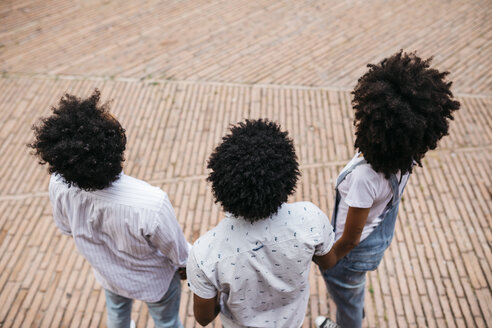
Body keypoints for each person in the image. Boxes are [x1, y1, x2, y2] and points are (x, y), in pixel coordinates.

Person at [314, 51, 461, 327]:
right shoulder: (405, 157)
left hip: (350, 255)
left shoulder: (364, 178)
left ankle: (350, 321)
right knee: (353, 293)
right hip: (375, 237)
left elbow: (350, 239)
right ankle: (354, 306)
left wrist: (327, 261)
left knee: (348, 299)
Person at [29, 90, 189, 328]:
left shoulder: (58, 184)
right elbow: (179, 254)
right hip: (156, 284)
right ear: (115, 148)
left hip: (109, 276)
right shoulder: (152, 203)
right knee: (167, 323)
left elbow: (65, 227)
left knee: (117, 318)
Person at [186, 119, 336, 327]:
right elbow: (328, 262)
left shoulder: (205, 253)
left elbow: (203, 318)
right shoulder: (310, 219)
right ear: (288, 175)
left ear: (220, 183)